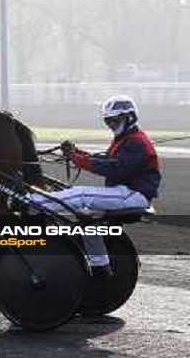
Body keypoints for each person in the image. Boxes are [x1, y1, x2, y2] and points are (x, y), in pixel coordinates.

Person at [30, 95, 161, 277]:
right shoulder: (125, 139)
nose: (111, 125)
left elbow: (115, 169)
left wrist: (76, 158)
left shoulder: (136, 142)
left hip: (133, 195)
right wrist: (76, 153)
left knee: (81, 194)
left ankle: (33, 204)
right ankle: (100, 265)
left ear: (129, 117)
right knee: (85, 217)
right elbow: (105, 160)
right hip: (126, 193)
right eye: (108, 121)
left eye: (114, 120)